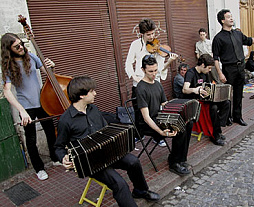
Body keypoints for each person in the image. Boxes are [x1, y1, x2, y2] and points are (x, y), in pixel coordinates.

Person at [55, 76, 160, 206]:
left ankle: (141, 191)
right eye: (92, 91)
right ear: (82, 95)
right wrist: (63, 158)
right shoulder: (66, 120)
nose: (95, 93)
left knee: (134, 162)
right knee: (119, 183)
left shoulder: (93, 109)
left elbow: (106, 130)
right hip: (91, 163)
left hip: (108, 153)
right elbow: (58, 147)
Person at [1, 33, 60, 180]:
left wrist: (51, 67)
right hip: (26, 107)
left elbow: (47, 72)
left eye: (21, 43)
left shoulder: (31, 57)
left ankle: (55, 158)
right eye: (17, 46)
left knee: (50, 132)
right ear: (9, 49)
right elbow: (7, 91)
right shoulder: (8, 67)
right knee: (31, 139)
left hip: (42, 101)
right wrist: (21, 111)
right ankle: (39, 168)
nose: (21, 47)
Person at [212, 9, 254, 126]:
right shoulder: (218, 38)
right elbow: (216, 58)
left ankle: (238, 117)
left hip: (240, 67)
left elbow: (250, 40)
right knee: (228, 95)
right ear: (222, 20)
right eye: (228, 17)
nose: (231, 19)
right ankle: (227, 117)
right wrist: (220, 73)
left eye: (231, 16)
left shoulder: (238, 34)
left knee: (238, 93)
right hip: (228, 69)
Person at [136, 55, 191, 176]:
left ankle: (181, 159)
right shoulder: (140, 88)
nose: (154, 73)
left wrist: (178, 113)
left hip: (159, 118)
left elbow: (165, 104)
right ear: (143, 70)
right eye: (151, 71)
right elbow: (146, 117)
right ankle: (174, 163)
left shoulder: (157, 84)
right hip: (147, 124)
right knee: (180, 129)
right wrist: (160, 132)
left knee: (188, 122)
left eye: (156, 70)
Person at [182, 54, 230, 146]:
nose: (210, 70)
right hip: (195, 101)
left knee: (226, 103)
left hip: (205, 100)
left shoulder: (206, 73)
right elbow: (185, 89)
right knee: (214, 108)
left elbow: (209, 86)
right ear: (203, 65)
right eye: (209, 68)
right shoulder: (190, 73)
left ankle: (218, 128)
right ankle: (215, 136)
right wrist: (196, 90)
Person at [125, 18, 178, 96]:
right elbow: (128, 63)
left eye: (153, 33)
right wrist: (134, 77)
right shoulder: (135, 44)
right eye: (148, 34)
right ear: (142, 34)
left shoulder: (157, 47)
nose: (152, 37)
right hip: (139, 85)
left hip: (154, 84)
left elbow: (160, 68)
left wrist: (169, 61)